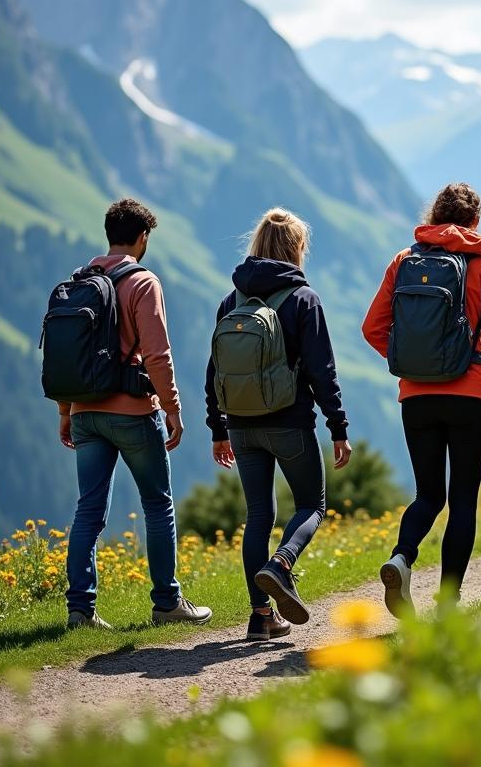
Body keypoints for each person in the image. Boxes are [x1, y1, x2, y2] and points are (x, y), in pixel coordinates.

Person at [363, 183, 481, 615]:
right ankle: (446, 603)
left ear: (434, 215)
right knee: (462, 499)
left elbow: (372, 328)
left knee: (428, 495)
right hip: (468, 395)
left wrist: (412, 360)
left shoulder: (404, 260)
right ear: (475, 221)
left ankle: (401, 557)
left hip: (416, 398)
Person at [59, 198, 211, 629]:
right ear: (143, 237)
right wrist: (174, 409)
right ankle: (167, 603)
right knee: (157, 504)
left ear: (109, 233)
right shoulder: (143, 282)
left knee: (88, 509)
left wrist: (66, 411)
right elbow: (157, 356)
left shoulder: (80, 280)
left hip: (85, 411)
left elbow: (65, 355)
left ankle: (80, 611)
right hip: (132, 412)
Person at [207, 208, 351, 641]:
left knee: (258, 515)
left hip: (241, 425)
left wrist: (217, 428)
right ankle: (282, 564)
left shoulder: (231, 301)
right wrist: (338, 427)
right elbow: (322, 370)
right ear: (296, 249)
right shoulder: (303, 299)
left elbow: (214, 369)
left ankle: (260, 616)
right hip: (289, 422)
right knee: (312, 505)